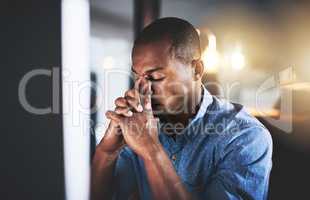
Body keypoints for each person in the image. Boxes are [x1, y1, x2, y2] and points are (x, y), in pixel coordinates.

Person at [91, 17, 272, 200]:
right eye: (137, 77)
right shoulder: (141, 125)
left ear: (197, 70)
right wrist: (107, 151)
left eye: (156, 77)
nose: (143, 89)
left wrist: (151, 150)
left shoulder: (245, 136)